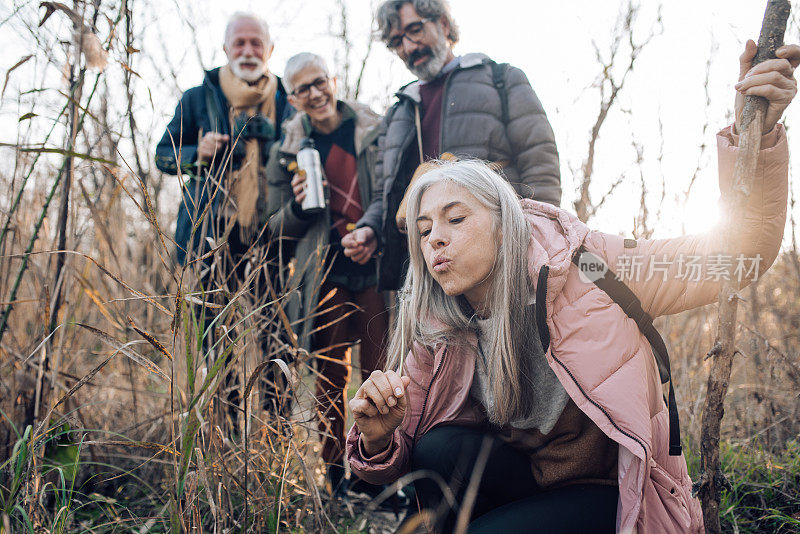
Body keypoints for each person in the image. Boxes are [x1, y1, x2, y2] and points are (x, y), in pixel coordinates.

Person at [346, 42, 799, 532]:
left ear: (505, 223)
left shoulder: (588, 267)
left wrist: (757, 131)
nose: (436, 237)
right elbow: (404, 450)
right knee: (438, 449)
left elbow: (734, 255)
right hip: (531, 478)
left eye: (456, 218)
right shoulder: (439, 322)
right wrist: (375, 439)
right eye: (424, 229)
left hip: (613, 492)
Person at [343, 0, 561, 291]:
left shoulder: (501, 79)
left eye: (414, 30)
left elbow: (540, 163)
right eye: (397, 41)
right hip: (424, 268)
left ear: (443, 24)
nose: (408, 47)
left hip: (500, 257)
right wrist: (370, 229)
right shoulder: (398, 112)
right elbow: (386, 193)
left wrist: (536, 237)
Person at [154, 12, 294, 423]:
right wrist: (196, 153)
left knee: (278, 338)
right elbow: (163, 156)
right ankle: (228, 430)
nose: (248, 51)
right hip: (211, 239)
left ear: (269, 50)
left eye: (256, 43)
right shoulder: (198, 98)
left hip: (273, 237)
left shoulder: (287, 99)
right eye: (240, 43)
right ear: (226, 49)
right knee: (217, 341)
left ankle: (277, 431)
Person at [266, 53, 388, 493]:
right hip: (325, 274)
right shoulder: (287, 150)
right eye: (302, 89)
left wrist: (374, 230)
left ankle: (380, 474)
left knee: (380, 374)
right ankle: (337, 475)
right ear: (293, 98)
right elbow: (271, 222)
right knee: (331, 376)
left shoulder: (375, 129)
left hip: (376, 267)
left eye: (319, 82)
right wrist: (298, 207)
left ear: (333, 79)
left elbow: (395, 191)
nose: (315, 93)